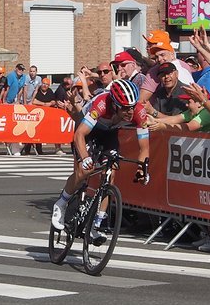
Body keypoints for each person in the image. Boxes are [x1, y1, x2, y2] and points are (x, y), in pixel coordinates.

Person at [51, 78, 150, 235]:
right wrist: (85, 158)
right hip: (88, 131)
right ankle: (62, 203)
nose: (130, 112)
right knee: (84, 172)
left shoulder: (139, 112)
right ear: (115, 105)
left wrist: (142, 168)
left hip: (109, 133)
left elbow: (144, 147)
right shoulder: (101, 104)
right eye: (125, 109)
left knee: (110, 174)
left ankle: (96, 223)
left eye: (132, 107)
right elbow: (80, 134)